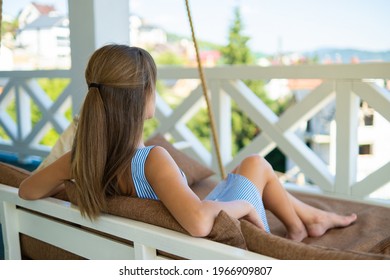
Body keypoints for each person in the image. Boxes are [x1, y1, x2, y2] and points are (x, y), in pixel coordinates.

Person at [19, 44, 357, 242]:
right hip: (207, 246)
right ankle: (306, 223)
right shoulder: (151, 160)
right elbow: (197, 223)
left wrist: (72, 182)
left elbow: (27, 190)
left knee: (253, 164)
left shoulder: (82, 159)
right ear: (141, 98)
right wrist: (246, 206)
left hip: (174, 231)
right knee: (257, 165)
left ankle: (305, 221)